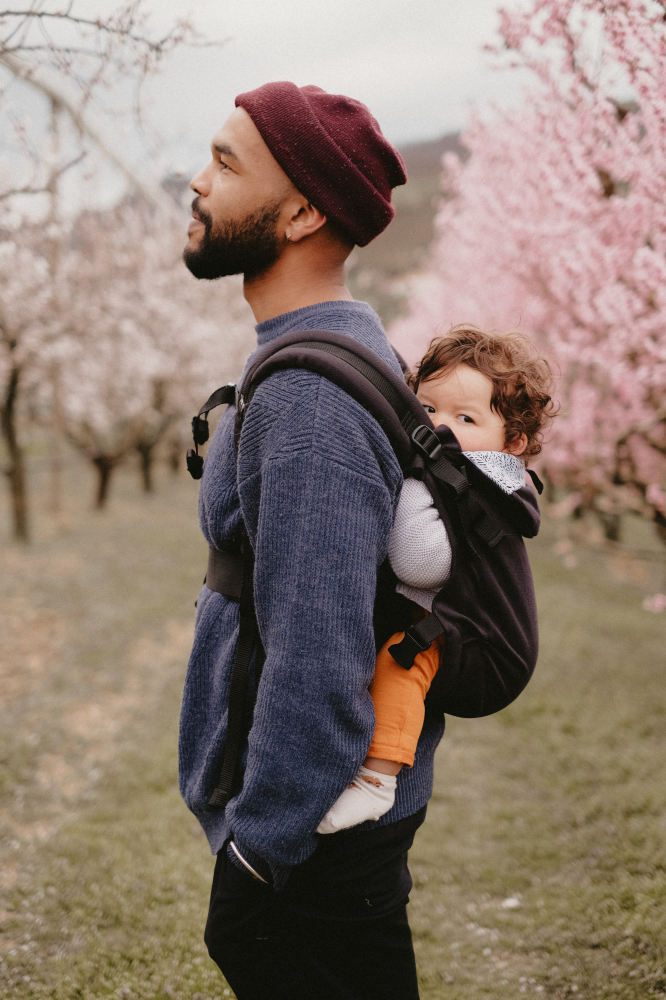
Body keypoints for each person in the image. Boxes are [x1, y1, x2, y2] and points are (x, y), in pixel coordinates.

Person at [179, 81, 430, 1000]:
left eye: (225, 162)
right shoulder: (325, 344)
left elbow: (319, 661)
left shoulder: (309, 401)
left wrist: (258, 853)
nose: (196, 180)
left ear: (303, 212)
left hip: (312, 847)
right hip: (320, 836)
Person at [317, 326, 555, 834]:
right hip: (470, 630)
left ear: (511, 442)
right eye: (426, 410)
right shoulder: (463, 467)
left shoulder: (477, 480)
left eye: (464, 418)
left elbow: (420, 560)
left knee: (404, 656)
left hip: (489, 653)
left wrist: (408, 481)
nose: (439, 429)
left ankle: (376, 783)